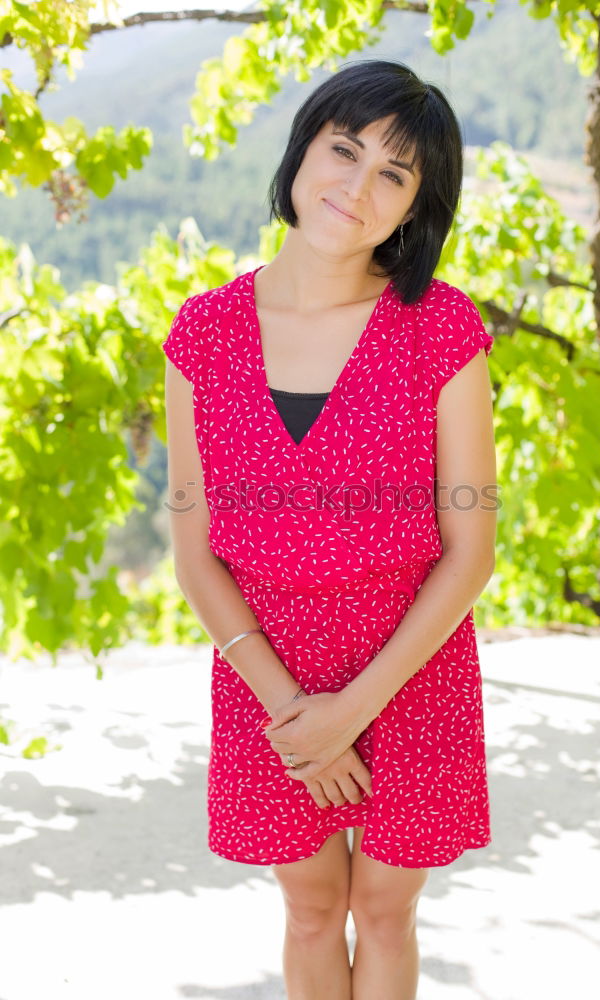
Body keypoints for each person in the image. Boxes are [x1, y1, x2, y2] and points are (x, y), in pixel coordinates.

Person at [162, 58, 496, 1000]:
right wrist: (296, 715)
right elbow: (196, 558)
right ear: (304, 148)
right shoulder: (203, 336)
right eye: (344, 149)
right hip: (269, 678)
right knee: (310, 910)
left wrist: (352, 709)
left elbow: (470, 549)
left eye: (393, 173)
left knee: (385, 913)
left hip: (415, 665)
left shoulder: (441, 328)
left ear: (415, 207)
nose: (357, 185)